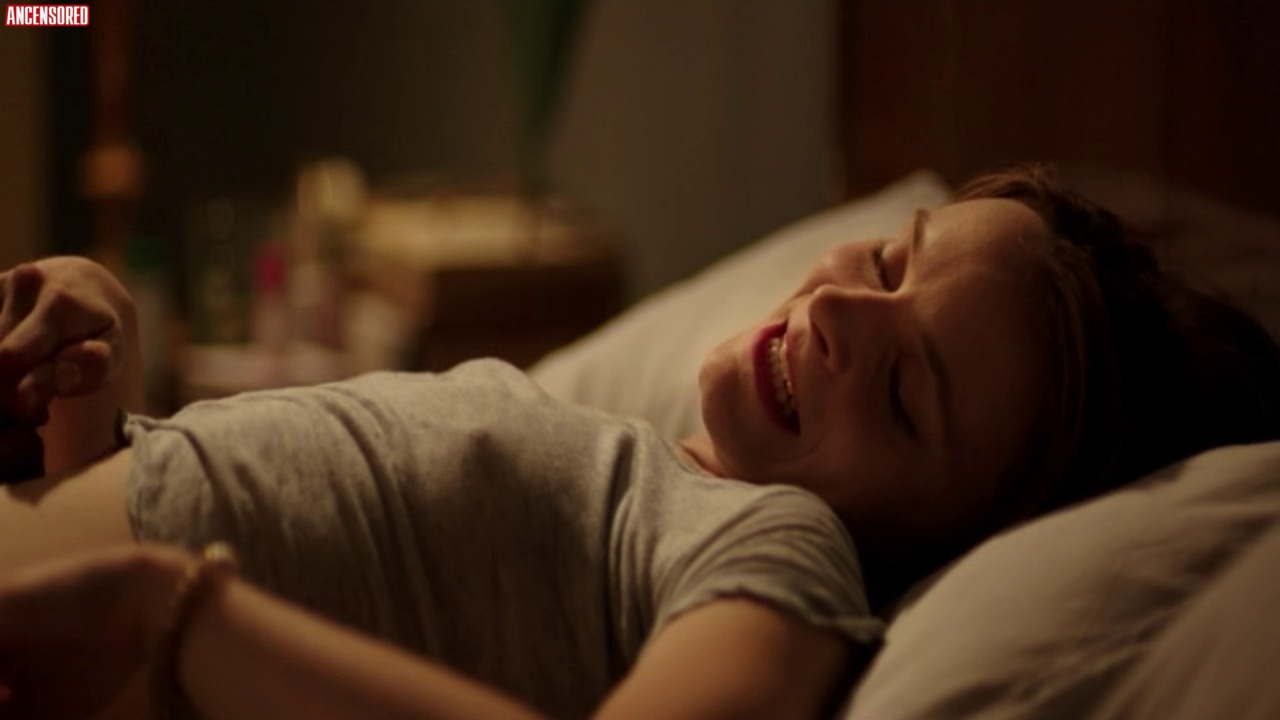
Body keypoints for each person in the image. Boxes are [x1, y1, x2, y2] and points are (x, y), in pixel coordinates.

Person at [0, 165, 1277, 720]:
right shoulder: (614, 454)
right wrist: (96, 397)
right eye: (891, 263)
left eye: (904, 395)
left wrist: (179, 616)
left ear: (944, 535)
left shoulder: (776, 550)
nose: (840, 314)